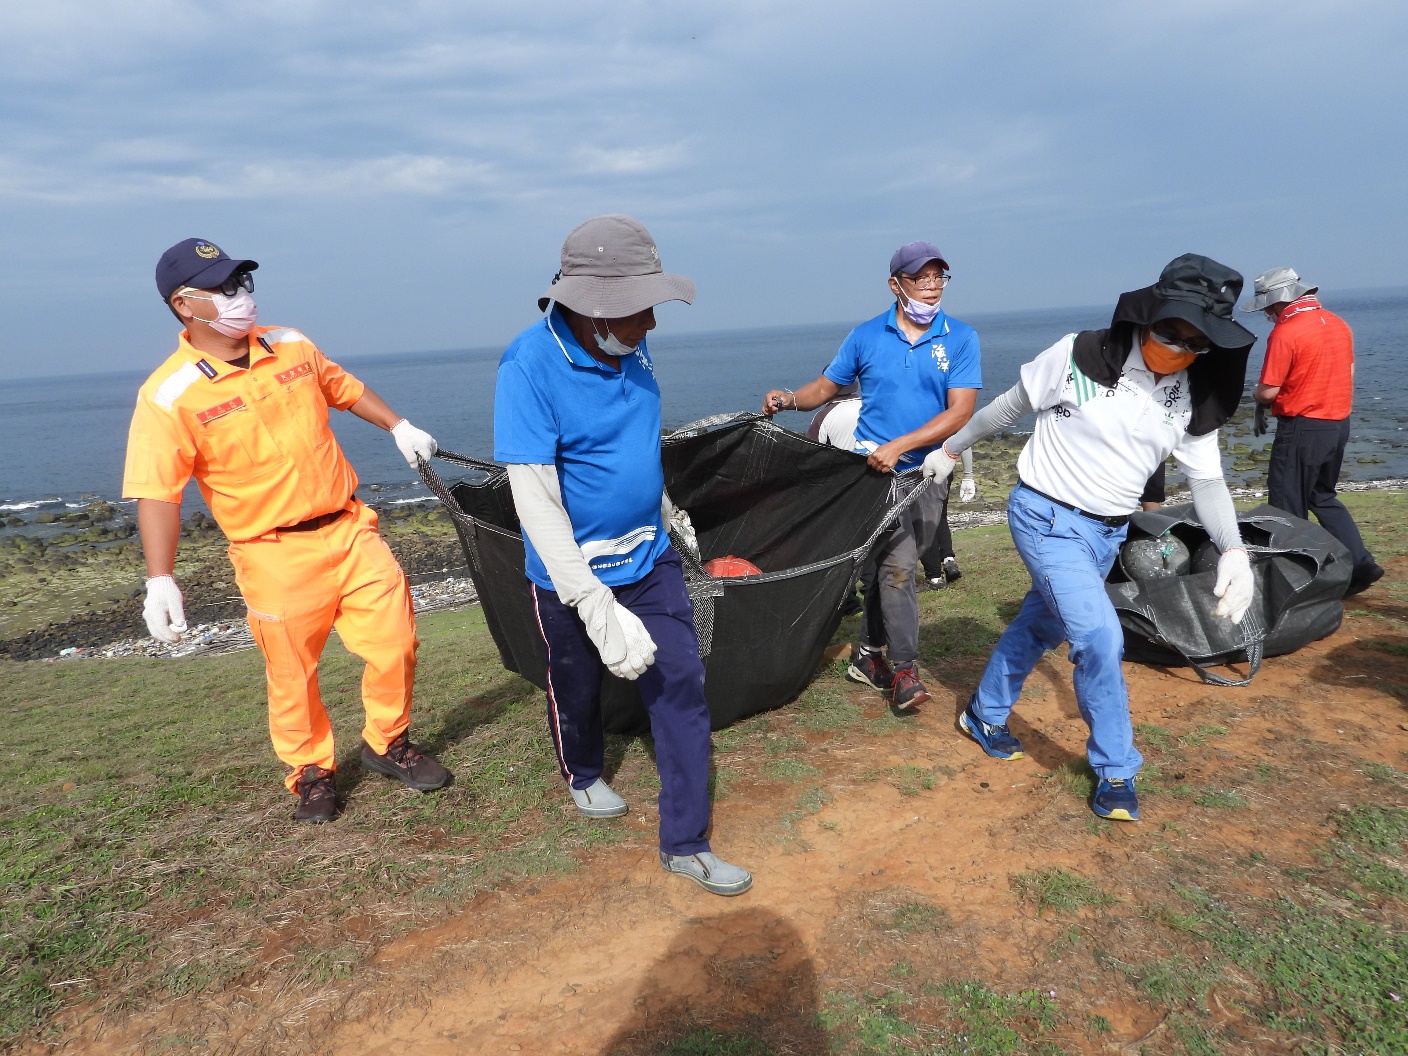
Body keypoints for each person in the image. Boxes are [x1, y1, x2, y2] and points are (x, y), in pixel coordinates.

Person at [123, 238, 450, 824]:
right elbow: (157, 490)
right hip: (272, 552)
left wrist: (398, 425)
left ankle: (387, 743)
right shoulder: (167, 394)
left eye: (240, 283)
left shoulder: (291, 343)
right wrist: (160, 580)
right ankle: (311, 774)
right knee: (293, 672)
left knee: (396, 643)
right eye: (222, 289)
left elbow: (343, 387)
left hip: (350, 528)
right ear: (183, 304)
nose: (239, 297)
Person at [924, 254, 1258, 822]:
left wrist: (1233, 550)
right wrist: (949, 450)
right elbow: (1008, 407)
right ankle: (1116, 769)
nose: (1176, 347)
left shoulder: (1191, 397)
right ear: (1147, 315)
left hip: (1107, 532)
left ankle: (983, 713)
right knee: (1100, 638)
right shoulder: (1079, 355)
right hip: (1044, 517)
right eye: (1168, 331)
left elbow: (1206, 480)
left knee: (1040, 624)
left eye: (1194, 341)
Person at [494, 214, 751, 897]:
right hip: (570, 578)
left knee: (682, 685)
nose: (652, 324)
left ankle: (686, 843)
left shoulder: (632, 349)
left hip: (649, 557)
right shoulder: (527, 366)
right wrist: (593, 603)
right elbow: (537, 501)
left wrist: (670, 516)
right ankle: (581, 771)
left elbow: (636, 450)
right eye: (640, 309)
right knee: (577, 688)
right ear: (590, 307)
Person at [763, 242, 980, 710]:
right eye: (920, 277)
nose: (931, 285)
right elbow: (826, 387)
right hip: (872, 477)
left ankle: (866, 654)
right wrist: (787, 399)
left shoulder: (961, 338)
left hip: (925, 473)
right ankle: (905, 672)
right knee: (899, 569)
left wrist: (901, 446)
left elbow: (961, 411)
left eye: (939, 276)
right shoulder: (865, 336)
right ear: (895, 284)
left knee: (888, 570)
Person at [1243, 268, 1384, 595]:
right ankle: (1362, 564)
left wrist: (1256, 396)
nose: (1266, 313)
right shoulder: (1337, 323)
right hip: (1337, 423)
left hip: (1302, 426)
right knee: (1322, 495)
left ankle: (1296, 582)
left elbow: (1268, 391)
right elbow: (1349, 372)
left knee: (1285, 505)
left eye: (1267, 306)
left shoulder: (1286, 331)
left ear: (1280, 302)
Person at [919, 452, 976, 591]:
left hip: (922, 468)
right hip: (945, 466)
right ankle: (948, 560)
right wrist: (968, 475)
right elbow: (965, 439)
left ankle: (934, 578)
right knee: (940, 515)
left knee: (923, 520)